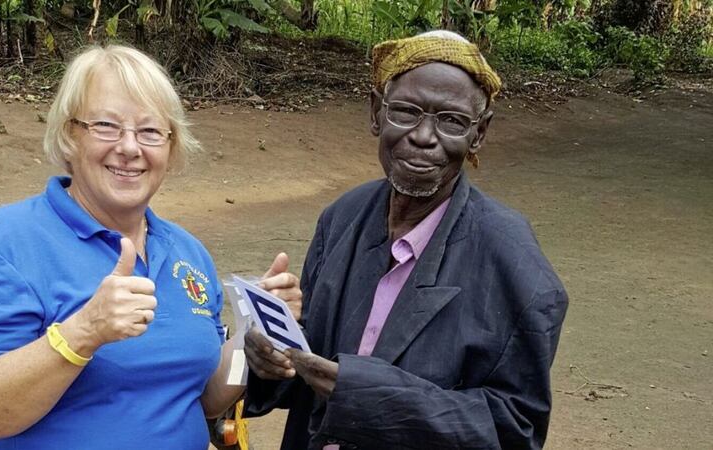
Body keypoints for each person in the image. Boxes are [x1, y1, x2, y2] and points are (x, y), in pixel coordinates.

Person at [0, 45, 300, 449]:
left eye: (150, 131)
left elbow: (205, 401)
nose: (130, 148)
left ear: (171, 147)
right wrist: (83, 333)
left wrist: (252, 336)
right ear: (68, 136)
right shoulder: (5, 242)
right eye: (106, 126)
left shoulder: (188, 253)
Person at [243, 30, 569, 449]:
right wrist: (270, 354)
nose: (423, 136)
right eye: (406, 111)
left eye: (451, 121)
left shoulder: (513, 261)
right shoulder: (343, 217)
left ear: (480, 134)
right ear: (377, 112)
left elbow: (514, 428)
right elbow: (310, 370)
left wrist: (360, 393)